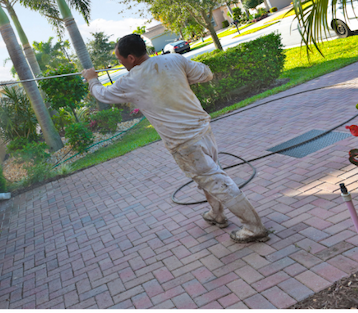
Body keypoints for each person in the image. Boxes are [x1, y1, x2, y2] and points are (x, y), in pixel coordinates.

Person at [82, 34, 269, 243]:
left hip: (184, 143)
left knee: (216, 181)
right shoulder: (174, 59)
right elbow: (206, 74)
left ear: (131, 58)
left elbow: (102, 94)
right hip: (203, 130)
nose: (120, 63)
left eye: (120, 59)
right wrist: (178, 77)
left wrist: (91, 79)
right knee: (209, 176)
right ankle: (217, 214)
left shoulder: (129, 81)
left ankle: (254, 227)